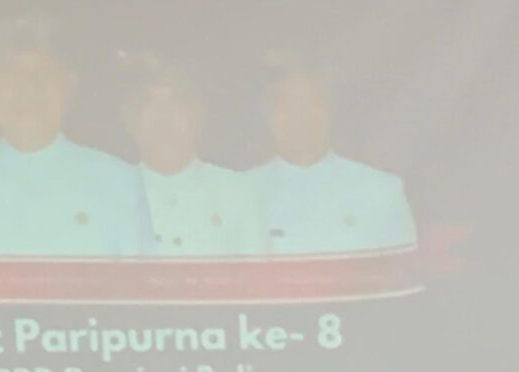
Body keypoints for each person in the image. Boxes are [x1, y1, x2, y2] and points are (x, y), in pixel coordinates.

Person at [0, 19, 153, 258]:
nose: (29, 88)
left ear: (69, 85)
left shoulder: (118, 182)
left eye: (44, 73)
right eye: (11, 74)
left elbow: (144, 290)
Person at [247, 54, 417, 256]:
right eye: (286, 104)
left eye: (312, 103)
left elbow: (400, 277)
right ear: (268, 115)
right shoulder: (240, 195)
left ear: (331, 111)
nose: (300, 114)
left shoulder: (381, 190)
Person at [125, 57, 266, 257]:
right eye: (152, 105)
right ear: (133, 121)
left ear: (197, 118)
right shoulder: (114, 193)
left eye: (176, 105)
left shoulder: (237, 190)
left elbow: (256, 276)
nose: (164, 116)